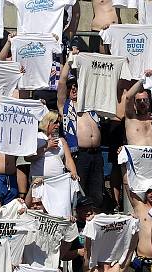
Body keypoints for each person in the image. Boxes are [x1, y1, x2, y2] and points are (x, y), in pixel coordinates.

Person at [57, 49, 104, 208]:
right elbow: (62, 81)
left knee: (97, 192)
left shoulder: (91, 104)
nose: (74, 89)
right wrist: (70, 60)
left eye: (76, 86)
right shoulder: (65, 107)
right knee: (80, 192)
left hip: (96, 154)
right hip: (79, 154)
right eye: (71, 87)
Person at [27, 111, 79, 180]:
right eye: (55, 122)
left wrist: (73, 172)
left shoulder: (61, 140)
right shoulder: (37, 138)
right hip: (40, 181)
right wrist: (47, 146)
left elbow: (68, 160)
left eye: (59, 123)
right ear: (47, 122)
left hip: (59, 180)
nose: (58, 125)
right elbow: (28, 158)